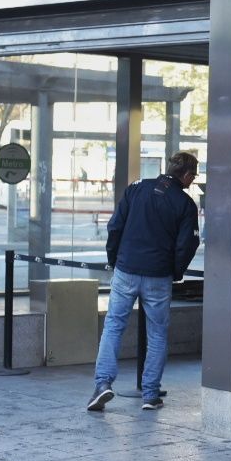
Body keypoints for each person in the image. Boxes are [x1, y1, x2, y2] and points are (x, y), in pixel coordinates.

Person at [87, 151, 201, 413]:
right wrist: (175, 271)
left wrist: (114, 259)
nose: (193, 180)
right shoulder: (185, 204)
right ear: (185, 175)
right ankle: (150, 394)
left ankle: (102, 384)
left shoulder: (137, 188)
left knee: (113, 326)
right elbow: (187, 244)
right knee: (157, 334)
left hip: (126, 270)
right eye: (193, 176)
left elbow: (115, 226)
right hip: (158, 275)